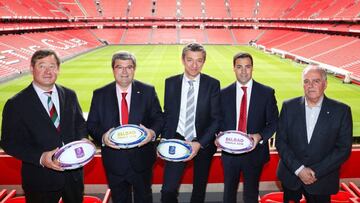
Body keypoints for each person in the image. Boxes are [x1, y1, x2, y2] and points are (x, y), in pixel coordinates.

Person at [1, 49, 88, 203]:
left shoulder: (70, 95)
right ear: (31, 69)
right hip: (39, 179)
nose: (48, 71)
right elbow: (9, 143)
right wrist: (41, 158)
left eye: (52, 66)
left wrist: (83, 139)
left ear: (58, 69)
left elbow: (80, 124)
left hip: (73, 178)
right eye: (42, 66)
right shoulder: (16, 104)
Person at [87, 51, 163, 203]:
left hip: (142, 159)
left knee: (144, 198)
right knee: (120, 199)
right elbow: (91, 124)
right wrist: (103, 136)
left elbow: (159, 118)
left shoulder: (148, 91)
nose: (124, 72)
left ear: (134, 69)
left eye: (129, 67)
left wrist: (152, 133)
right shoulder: (100, 94)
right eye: (119, 67)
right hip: (114, 161)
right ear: (113, 69)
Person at [275, 65, 353, 203]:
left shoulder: (341, 111)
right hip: (291, 177)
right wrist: (299, 170)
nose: (310, 85)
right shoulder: (288, 106)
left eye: (316, 81)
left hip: (322, 180)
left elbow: (343, 149)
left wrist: (316, 172)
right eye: (306, 81)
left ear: (325, 84)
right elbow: (281, 141)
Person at [160, 43, 221, 203]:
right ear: (183, 60)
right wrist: (165, 139)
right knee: (168, 190)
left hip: (202, 142)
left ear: (204, 61)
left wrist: (199, 143)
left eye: (199, 60)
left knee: (199, 189)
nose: (194, 65)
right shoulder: (170, 83)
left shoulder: (212, 84)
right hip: (177, 139)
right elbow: (168, 115)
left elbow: (216, 119)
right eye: (190, 60)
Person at [216, 52, 279, 203]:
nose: (243, 71)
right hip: (230, 153)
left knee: (251, 194)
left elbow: (274, 122)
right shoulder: (222, 94)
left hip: (255, 153)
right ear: (234, 69)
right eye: (239, 67)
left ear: (252, 68)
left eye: (247, 67)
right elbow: (217, 121)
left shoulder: (266, 92)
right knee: (229, 193)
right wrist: (218, 135)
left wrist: (260, 136)